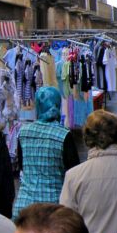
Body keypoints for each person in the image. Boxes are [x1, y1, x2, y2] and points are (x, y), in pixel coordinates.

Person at [13, 87, 79, 217]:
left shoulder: (23, 132)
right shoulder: (63, 135)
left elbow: (22, 166)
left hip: (24, 207)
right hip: (52, 208)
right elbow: (73, 172)